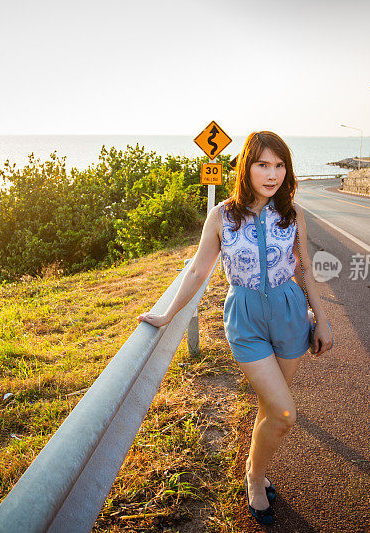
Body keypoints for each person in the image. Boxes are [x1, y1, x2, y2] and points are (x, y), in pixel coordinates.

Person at [137, 131, 333, 526]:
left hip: (291, 315)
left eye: (279, 165)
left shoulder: (291, 214)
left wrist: (322, 318)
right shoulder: (222, 215)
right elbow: (198, 269)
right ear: (246, 167)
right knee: (284, 413)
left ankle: (254, 467)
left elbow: (305, 267)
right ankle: (255, 478)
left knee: (270, 407)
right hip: (245, 319)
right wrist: (169, 314)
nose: (272, 173)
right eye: (262, 164)